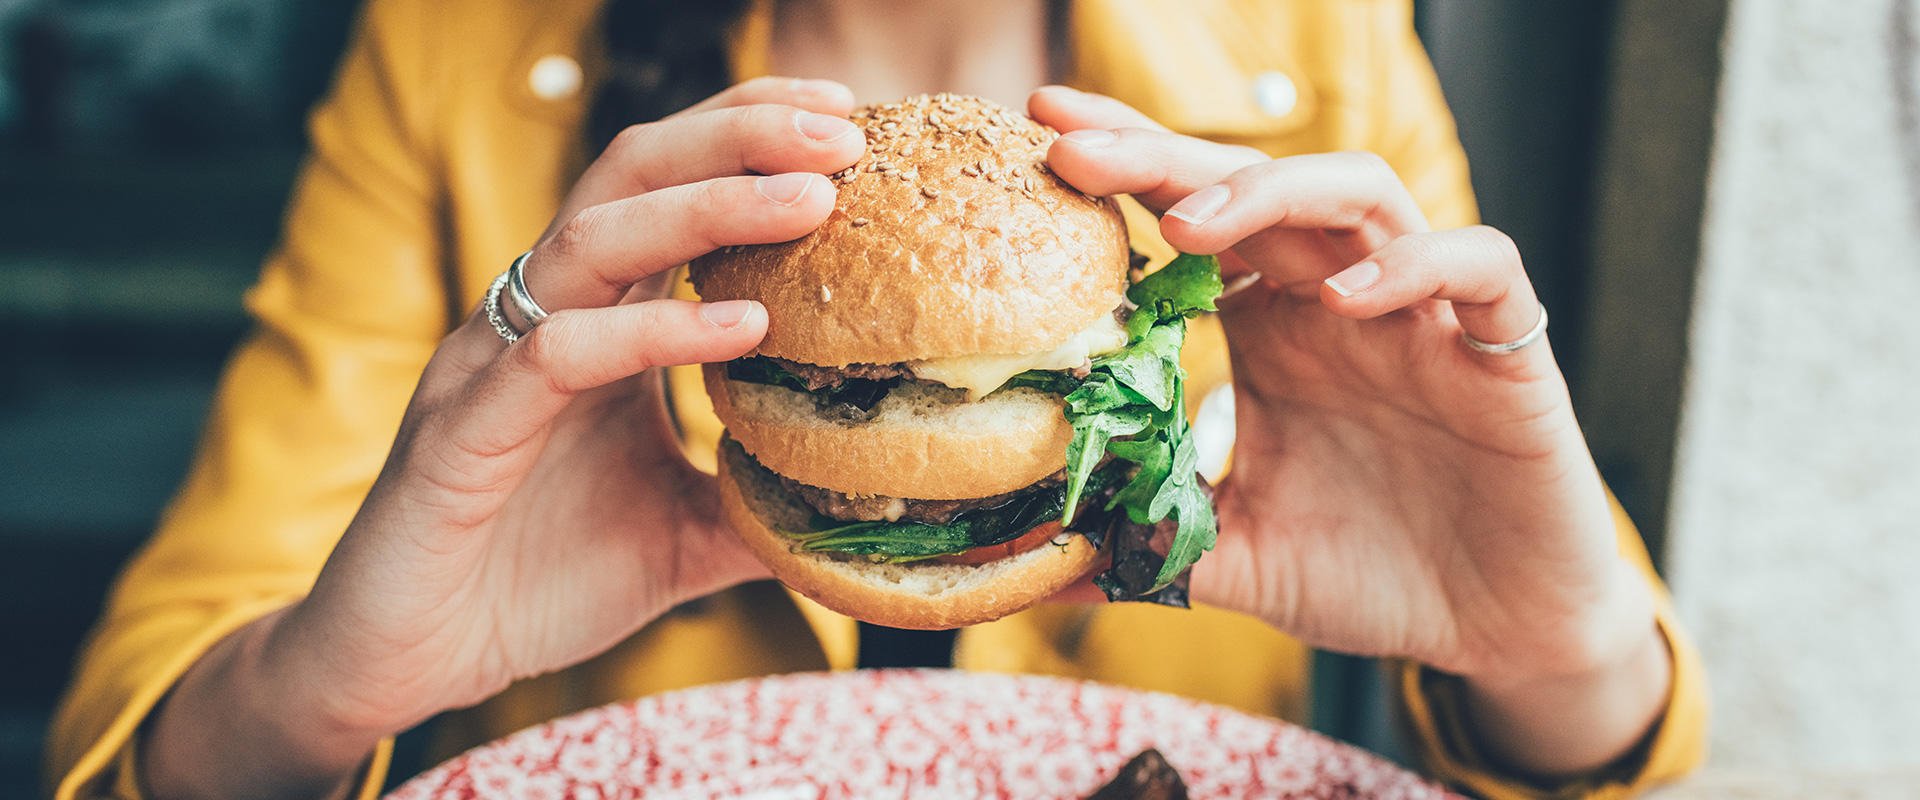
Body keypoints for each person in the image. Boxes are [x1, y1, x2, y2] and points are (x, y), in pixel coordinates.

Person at [47, 1, 1707, 798]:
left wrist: (1550, 651)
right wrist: (336, 681)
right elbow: (144, 715)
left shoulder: (1321, 46)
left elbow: (1602, 729)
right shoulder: (456, 53)